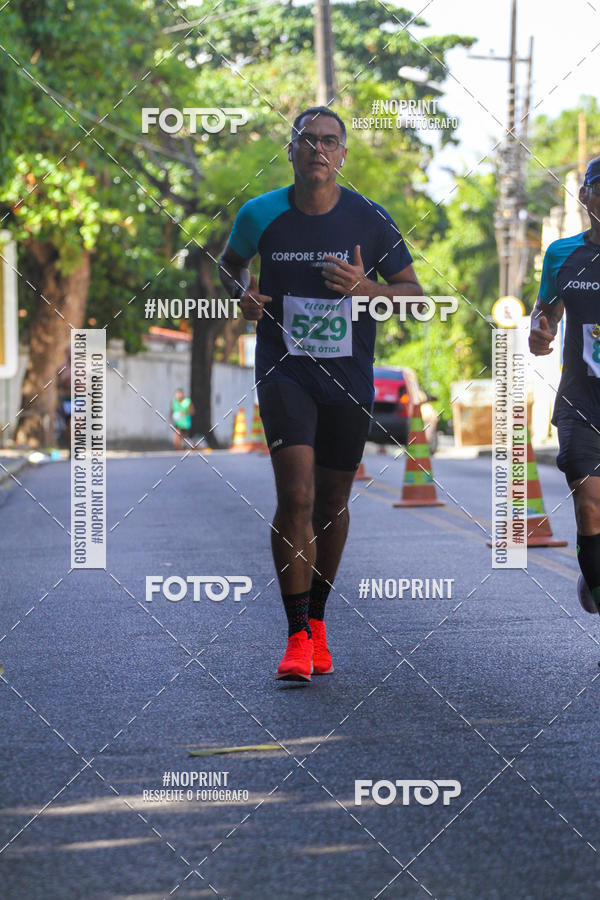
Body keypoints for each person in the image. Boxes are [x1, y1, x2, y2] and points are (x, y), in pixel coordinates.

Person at [218, 106, 423, 681]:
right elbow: (228, 265)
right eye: (307, 141)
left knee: (333, 503)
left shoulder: (370, 220)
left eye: (329, 142)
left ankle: (318, 625)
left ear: (343, 154)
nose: (318, 150)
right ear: (290, 150)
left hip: (348, 377)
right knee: (298, 495)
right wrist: (243, 291)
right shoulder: (260, 214)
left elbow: (414, 294)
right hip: (284, 369)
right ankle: (293, 637)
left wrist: (366, 287)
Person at [529, 156, 600, 616]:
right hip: (581, 400)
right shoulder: (562, 254)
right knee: (589, 503)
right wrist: (540, 330)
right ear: (586, 195)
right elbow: (546, 312)